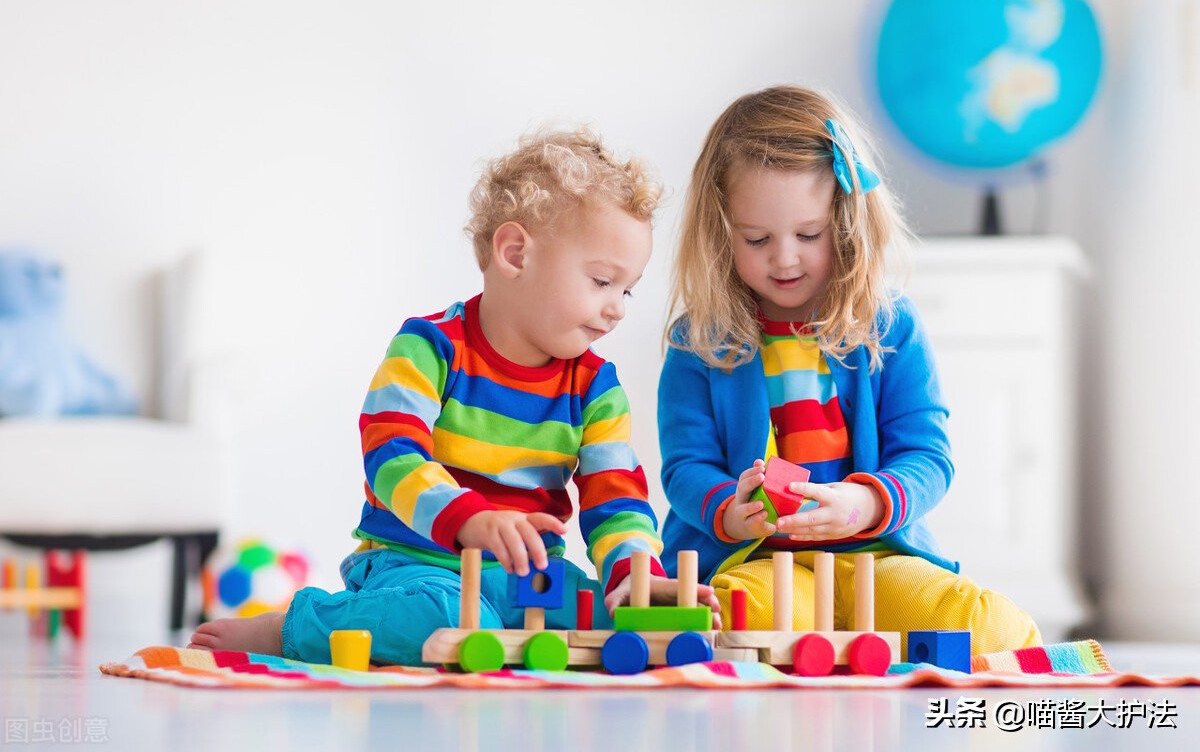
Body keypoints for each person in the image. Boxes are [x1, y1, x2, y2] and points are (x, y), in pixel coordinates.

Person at [190, 128, 719, 665]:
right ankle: (298, 627)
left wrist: (633, 573)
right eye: (602, 281)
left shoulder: (596, 387)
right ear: (515, 254)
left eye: (626, 289)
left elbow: (617, 496)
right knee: (446, 617)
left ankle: (540, 626)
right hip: (419, 562)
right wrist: (469, 519)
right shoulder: (431, 347)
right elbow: (390, 453)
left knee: (629, 615)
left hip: (528, 580)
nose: (617, 309)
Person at [657, 86, 1040, 655]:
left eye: (808, 235)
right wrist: (731, 515)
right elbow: (686, 465)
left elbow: (927, 456)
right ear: (721, 234)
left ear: (846, 223)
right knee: (733, 616)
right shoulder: (699, 341)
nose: (785, 258)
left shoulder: (890, 326)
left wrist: (867, 505)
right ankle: (807, 641)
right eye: (757, 239)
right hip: (757, 559)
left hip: (873, 557)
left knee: (988, 629)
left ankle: (830, 640)